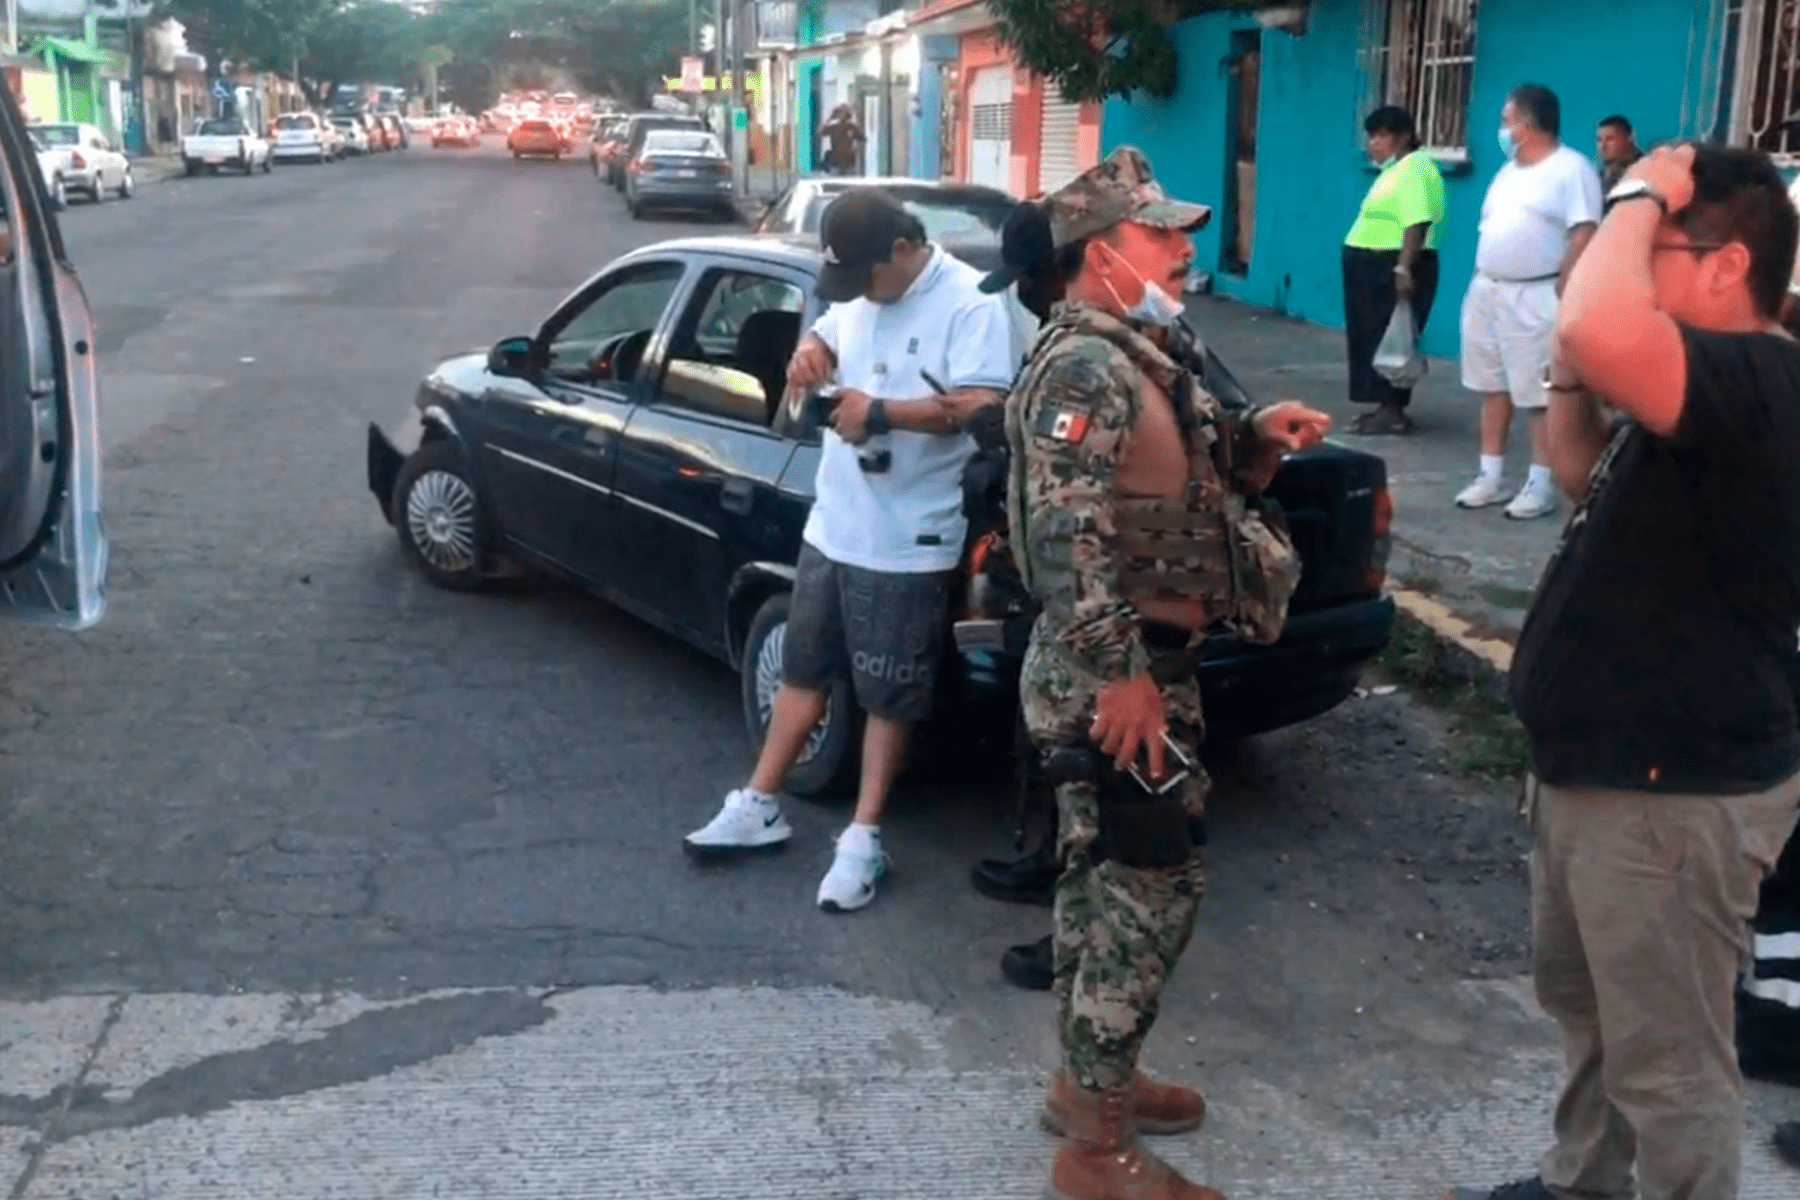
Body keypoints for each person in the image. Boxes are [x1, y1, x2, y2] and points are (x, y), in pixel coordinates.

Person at [1449, 142, 1800, 1200]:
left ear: (1727, 267)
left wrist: (1641, 187)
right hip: (1607, 773)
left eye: (1661, 247)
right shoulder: (1698, 387)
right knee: (1594, 1015)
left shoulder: (1759, 379)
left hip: (1671, 796)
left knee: (1672, 1063)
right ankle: (1583, 1186)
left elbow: (1601, 322)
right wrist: (1571, 358)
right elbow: (1570, 462)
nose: (1636, 264)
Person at [1008, 145, 1330, 1200]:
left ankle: (1090, 1081)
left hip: (1152, 664)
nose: (1185, 247)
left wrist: (1254, 441)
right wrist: (1119, 678)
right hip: (1123, 674)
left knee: (1105, 887)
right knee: (1149, 895)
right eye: (1161, 232)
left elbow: (1167, 482)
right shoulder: (1083, 367)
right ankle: (1095, 1152)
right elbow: (1066, 535)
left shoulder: (1136, 346)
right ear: (1101, 254)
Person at [682, 188, 1016, 913]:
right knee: (805, 668)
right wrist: (812, 349)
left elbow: (987, 405)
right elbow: (833, 327)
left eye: (864, 274)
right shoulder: (858, 288)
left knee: (888, 694)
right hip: (834, 521)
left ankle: (864, 838)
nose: (857, 289)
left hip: (909, 536)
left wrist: (884, 413)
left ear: (902, 249)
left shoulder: (970, 303)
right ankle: (759, 802)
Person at [1454, 84, 1602, 521]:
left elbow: (1584, 231)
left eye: (1507, 119)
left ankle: (1540, 484)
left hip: (1535, 295)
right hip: (1489, 289)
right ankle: (1490, 476)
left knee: (1537, 394)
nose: (1502, 128)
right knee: (1492, 386)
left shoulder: (1571, 169)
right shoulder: (1509, 171)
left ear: (1529, 124)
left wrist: (1566, 285)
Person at [1342, 104, 1447, 435]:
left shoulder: (1415, 168)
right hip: (1372, 264)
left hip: (1391, 265)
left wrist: (1404, 268)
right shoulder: (1395, 170)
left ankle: (1392, 411)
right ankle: (1382, 406)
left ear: (1403, 136)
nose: (1374, 143)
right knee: (1374, 337)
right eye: (1371, 136)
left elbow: (1416, 222)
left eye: (1382, 135)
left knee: (1390, 336)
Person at [1595, 114, 1641, 193]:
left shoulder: (1648, 170)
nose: (1602, 146)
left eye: (1610, 139)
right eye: (1599, 140)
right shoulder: (1597, 181)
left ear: (1628, 138)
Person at [819, 103, 864, 176]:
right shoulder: (837, 127)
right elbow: (821, 132)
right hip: (843, 161)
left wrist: (830, 118)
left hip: (843, 161)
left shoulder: (848, 127)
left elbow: (821, 131)